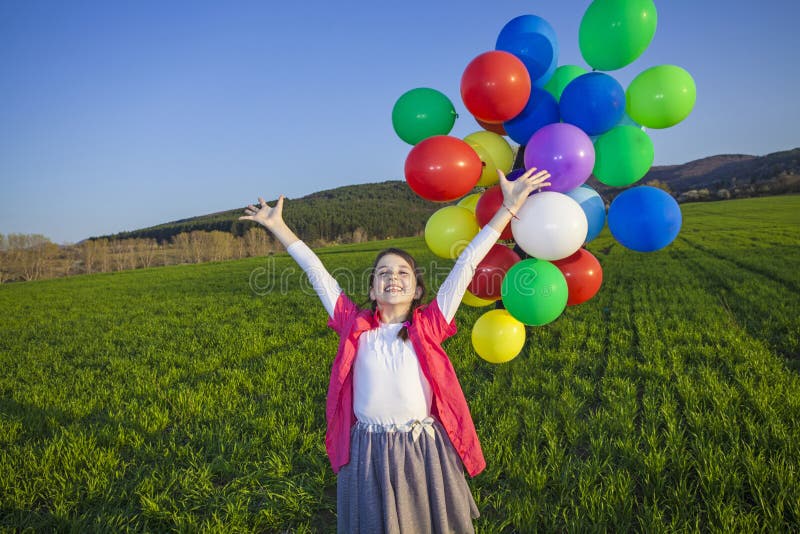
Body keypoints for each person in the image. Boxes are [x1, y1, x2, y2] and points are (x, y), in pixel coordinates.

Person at [240, 167, 551, 533]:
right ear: (372, 290)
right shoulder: (352, 325)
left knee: (428, 521)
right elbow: (317, 271)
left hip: (421, 447)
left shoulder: (429, 324)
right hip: (368, 449)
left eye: (403, 273)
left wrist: (508, 209)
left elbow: (466, 264)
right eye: (383, 273)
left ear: (417, 290)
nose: (393, 278)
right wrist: (279, 227)